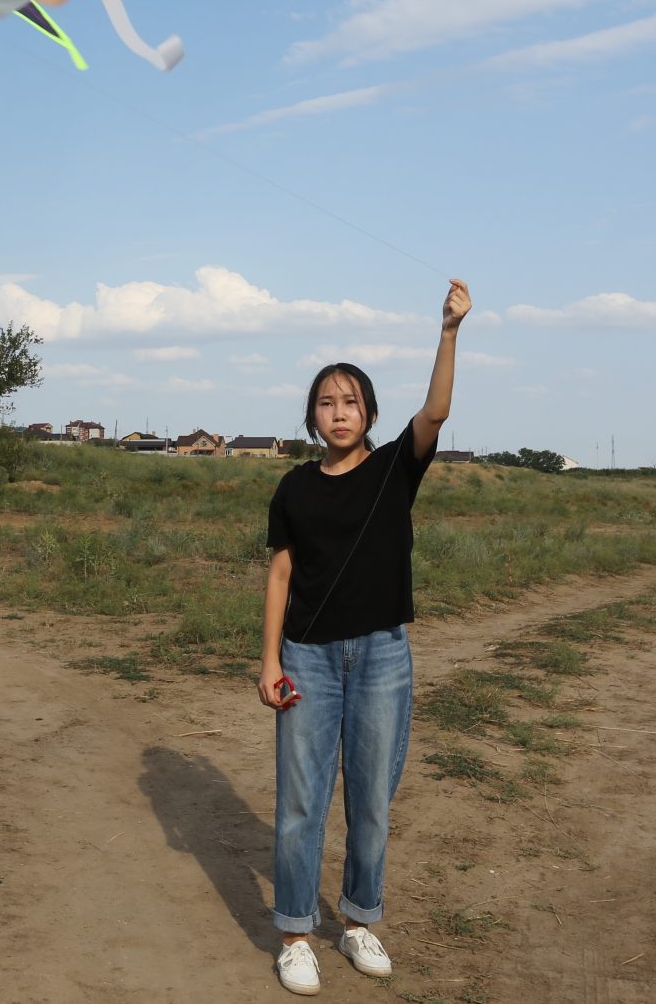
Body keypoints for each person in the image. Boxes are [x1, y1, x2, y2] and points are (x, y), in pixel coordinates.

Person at [257, 279, 471, 995]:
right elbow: (281, 576)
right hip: (308, 661)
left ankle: (357, 919)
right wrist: (268, 661)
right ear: (313, 416)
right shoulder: (292, 487)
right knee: (299, 801)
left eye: (351, 400)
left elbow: (436, 409)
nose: (338, 411)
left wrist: (448, 332)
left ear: (370, 413)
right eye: (327, 400)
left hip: (382, 655)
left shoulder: (392, 472)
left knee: (372, 797)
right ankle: (294, 931)